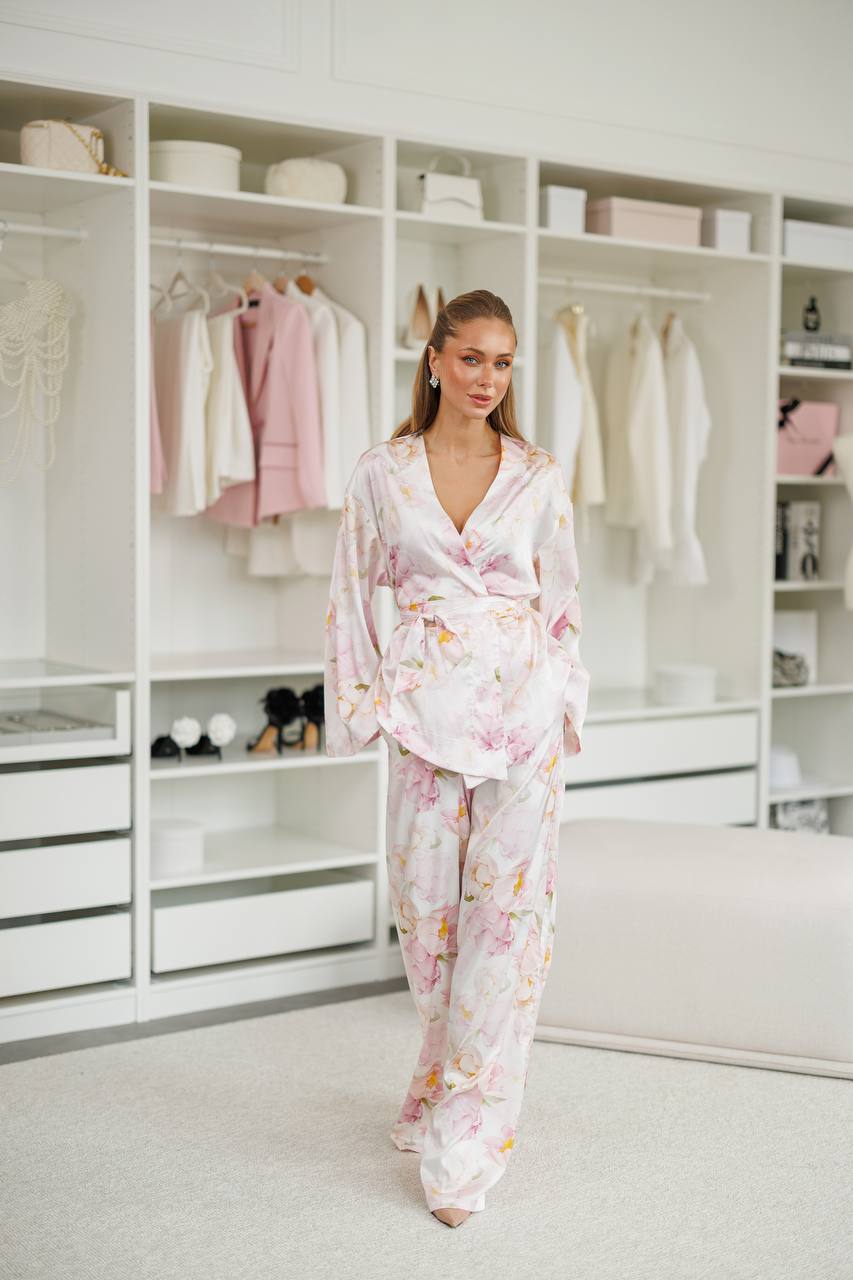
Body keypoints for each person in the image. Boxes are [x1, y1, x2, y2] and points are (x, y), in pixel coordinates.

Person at [323, 288, 590, 1227]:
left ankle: (462, 1155)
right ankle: (436, 1087)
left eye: (504, 361)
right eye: (471, 356)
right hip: (423, 719)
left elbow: (560, 605)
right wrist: (364, 711)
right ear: (434, 358)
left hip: (522, 721)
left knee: (503, 941)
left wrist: (565, 703)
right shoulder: (381, 473)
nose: (487, 377)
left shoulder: (539, 474)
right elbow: (351, 592)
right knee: (430, 934)